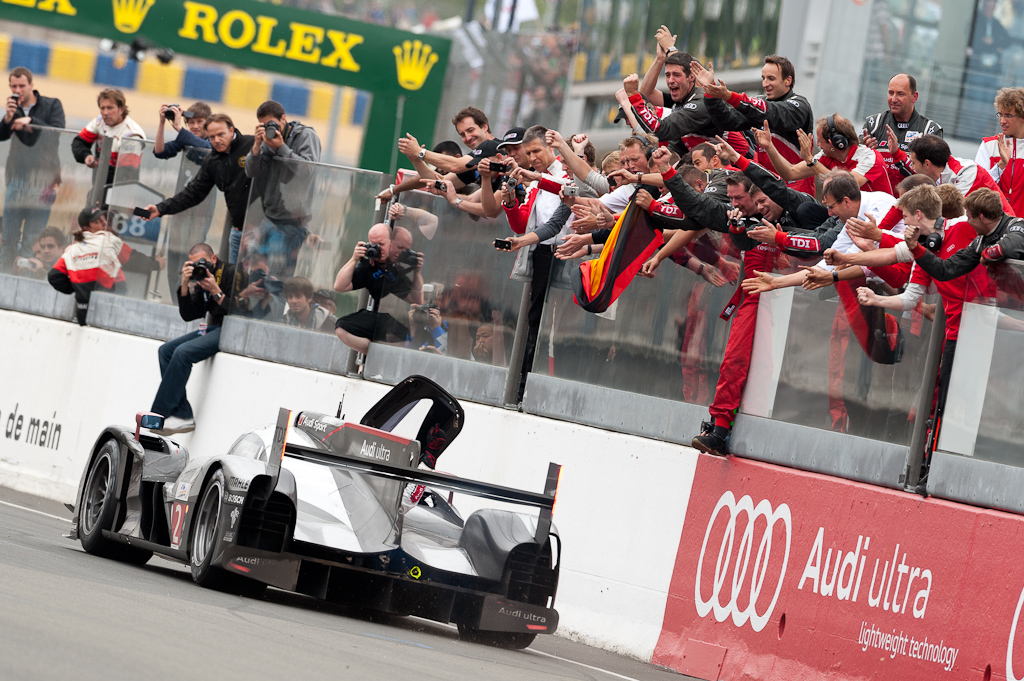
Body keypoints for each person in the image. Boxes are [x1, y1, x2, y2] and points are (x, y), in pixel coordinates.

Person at [693, 55, 816, 194]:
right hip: (764, 185)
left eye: (771, 78)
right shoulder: (759, 105)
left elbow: (771, 113)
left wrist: (730, 96)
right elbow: (728, 120)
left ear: (788, 80)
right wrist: (711, 93)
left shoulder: (799, 105)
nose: (765, 84)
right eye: (763, 78)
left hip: (796, 188)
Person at [141, 114, 255, 264]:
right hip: (239, 232)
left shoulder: (252, 144)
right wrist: (160, 209)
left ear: (232, 130)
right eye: (212, 137)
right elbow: (193, 193)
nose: (217, 140)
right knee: (236, 283)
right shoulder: (213, 160)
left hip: (263, 230)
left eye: (221, 134)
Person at [150, 243, 239, 435]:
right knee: (165, 350)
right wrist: (185, 284)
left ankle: (159, 414)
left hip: (232, 330)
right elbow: (191, 314)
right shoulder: (200, 276)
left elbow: (240, 311)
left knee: (183, 353)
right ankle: (182, 414)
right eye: (195, 263)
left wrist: (216, 290)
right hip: (212, 328)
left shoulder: (232, 272)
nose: (201, 266)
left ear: (213, 259)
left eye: (203, 262)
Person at [243, 100, 322, 277]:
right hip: (269, 217)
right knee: (255, 276)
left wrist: (281, 147)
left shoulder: (306, 136)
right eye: (263, 125)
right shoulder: (267, 139)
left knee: (276, 281)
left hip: (292, 221)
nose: (270, 128)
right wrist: (256, 146)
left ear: (283, 119)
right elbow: (251, 171)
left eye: (272, 124)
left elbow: (307, 171)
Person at [47, 206, 163, 325]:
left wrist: (76, 289)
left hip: (83, 309)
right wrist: (157, 264)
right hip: (112, 298)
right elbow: (134, 260)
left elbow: (54, 276)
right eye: (97, 222)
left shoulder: (72, 248)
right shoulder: (108, 239)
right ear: (87, 228)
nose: (104, 223)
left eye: (103, 219)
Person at [0, 66, 65, 271]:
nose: (18, 90)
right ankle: (5, 276)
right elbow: (2, 135)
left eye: (22, 86)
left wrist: (31, 121)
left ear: (31, 85)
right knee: (9, 233)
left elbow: (56, 132)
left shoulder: (52, 104)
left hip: (44, 179)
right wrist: (8, 118)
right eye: (14, 86)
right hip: (18, 177)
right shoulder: (14, 108)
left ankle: (24, 277)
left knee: (33, 236)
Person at [333, 224, 423, 354]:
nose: (378, 249)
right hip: (377, 319)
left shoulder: (397, 270)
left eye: (382, 244)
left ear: (391, 243)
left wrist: (417, 272)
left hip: (398, 321)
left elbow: (417, 300)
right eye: (374, 244)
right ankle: (377, 352)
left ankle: (387, 350)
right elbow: (339, 286)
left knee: (412, 338)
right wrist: (354, 259)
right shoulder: (368, 267)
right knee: (342, 326)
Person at [759, 113, 894, 195]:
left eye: (821, 141)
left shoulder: (870, 157)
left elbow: (846, 186)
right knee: (806, 210)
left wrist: (811, 160)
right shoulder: (825, 156)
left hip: (877, 219)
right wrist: (769, 146)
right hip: (851, 217)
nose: (818, 145)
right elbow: (790, 172)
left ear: (836, 142)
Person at [907, 188, 1024, 281]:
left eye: (969, 217)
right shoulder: (979, 243)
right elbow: (945, 270)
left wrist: (986, 255)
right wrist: (915, 247)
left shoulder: (1016, 225)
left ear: (981, 217)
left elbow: (1009, 247)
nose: (967, 222)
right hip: (1011, 305)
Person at [862, 74, 943, 190]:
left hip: (912, 204)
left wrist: (898, 155)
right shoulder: (873, 124)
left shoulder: (930, 131)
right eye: (891, 93)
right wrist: (864, 153)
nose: (893, 99)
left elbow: (934, 180)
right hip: (876, 203)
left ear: (914, 97)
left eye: (900, 94)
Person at [899, 134, 1011, 212]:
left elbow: (954, 214)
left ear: (927, 164)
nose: (912, 168)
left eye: (913, 163)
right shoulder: (936, 175)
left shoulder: (967, 172)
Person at [71, 88, 145, 185]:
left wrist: (101, 166)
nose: (105, 113)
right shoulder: (99, 121)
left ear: (121, 109)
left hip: (121, 188)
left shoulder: (132, 134)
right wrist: (86, 156)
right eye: (102, 108)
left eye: (110, 108)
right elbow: (79, 142)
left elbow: (127, 173)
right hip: (99, 185)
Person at [976, 87, 1024, 216]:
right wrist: (1001, 164)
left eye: (1008, 116)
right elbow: (978, 188)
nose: (1002, 121)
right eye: (1000, 114)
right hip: (993, 226)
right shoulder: (988, 145)